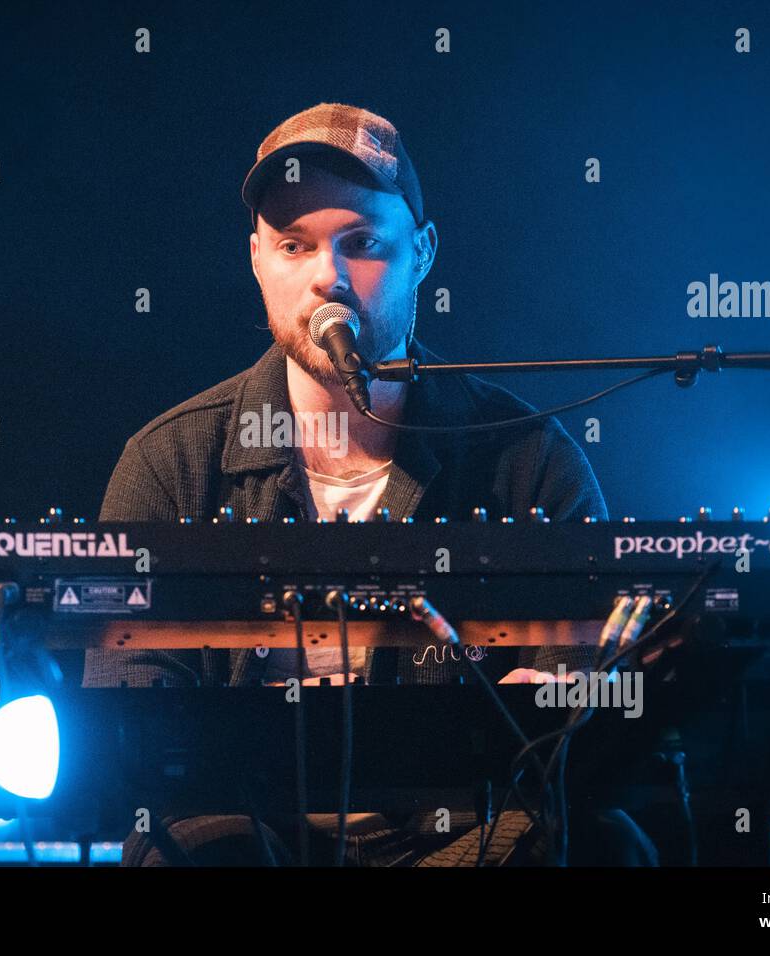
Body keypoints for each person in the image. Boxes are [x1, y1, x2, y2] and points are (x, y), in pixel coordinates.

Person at [86, 102, 607, 864]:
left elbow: (590, 687)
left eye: (361, 243)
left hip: (461, 837)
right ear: (257, 259)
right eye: (295, 246)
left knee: (584, 840)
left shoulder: (528, 459)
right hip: (247, 834)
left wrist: (554, 703)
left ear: (423, 252)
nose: (328, 277)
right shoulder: (169, 461)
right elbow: (126, 711)